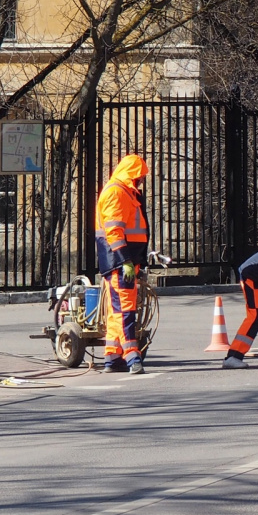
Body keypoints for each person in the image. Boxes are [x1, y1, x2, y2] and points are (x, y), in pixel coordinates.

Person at [95, 153, 150, 373]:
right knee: (125, 310)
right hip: (120, 262)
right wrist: (125, 260)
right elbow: (114, 231)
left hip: (123, 261)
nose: (142, 181)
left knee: (116, 310)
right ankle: (131, 357)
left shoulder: (125, 192)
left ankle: (112, 357)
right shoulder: (116, 193)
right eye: (140, 176)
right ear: (132, 175)